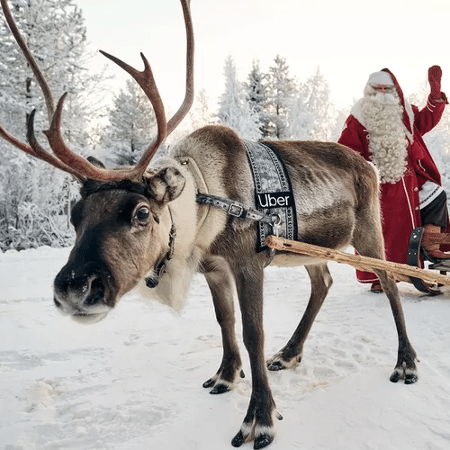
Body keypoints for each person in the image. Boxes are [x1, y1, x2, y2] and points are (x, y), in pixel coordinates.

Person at [338, 66, 450, 292]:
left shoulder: (405, 112)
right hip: (380, 188)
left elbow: (426, 120)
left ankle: (433, 246)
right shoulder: (357, 119)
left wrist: (435, 95)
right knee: (387, 233)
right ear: (368, 91)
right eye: (376, 88)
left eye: (385, 88)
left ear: (394, 91)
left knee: (437, 195)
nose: (381, 92)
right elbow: (345, 153)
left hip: (411, 181)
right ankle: (382, 276)